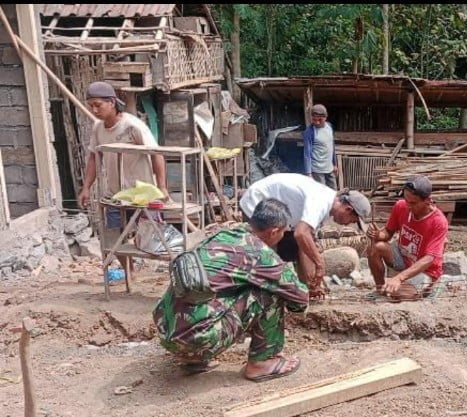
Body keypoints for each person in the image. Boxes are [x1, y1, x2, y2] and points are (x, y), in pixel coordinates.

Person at [153, 199, 308, 381]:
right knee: (270, 293)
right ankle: (262, 363)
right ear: (274, 231)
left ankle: (193, 359)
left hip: (166, 331)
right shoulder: (260, 254)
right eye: (284, 231)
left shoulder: (221, 235)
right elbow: (300, 297)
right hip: (195, 340)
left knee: (214, 293)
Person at [77, 81, 169, 272]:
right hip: (116, 194)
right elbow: (94, 157)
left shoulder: (132, 126)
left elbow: (156, 154)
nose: (94, 110)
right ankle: (129, 274)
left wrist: (162, 187)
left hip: (142, 193)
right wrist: (86, 187)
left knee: (152, 237)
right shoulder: (98, 129)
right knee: (113, 238)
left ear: (111, 102)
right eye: (91, 106)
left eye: (98, 105)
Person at [239, 173, 371, 298]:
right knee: (264, 249)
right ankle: (256, 292)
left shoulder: (324, 208)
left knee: (293, 247)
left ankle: (302, 289)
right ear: (348, 209)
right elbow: (301, 234)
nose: (348, 224)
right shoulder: (321, 201)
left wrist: (311, 284)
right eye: (352, 220)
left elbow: (305, 244)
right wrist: (320, 264)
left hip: (279, 211)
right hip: (257, 200)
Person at [366, 175, 448, 301]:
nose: (408, 206)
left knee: (400, 295)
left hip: (426, 270)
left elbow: (430, 258)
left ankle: (431, 286)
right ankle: (380, 289)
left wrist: (399, 278)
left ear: (427, 200)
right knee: (377, 247)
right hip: (404, 258)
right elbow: (388, 232)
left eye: (413, 203)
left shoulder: (438, 222)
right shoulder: (401, 206)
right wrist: (379, 235)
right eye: (406, 200)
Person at [303, 104, 337, 189]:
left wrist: (335, 164)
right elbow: (307, 153)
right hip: (317, 170)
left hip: (329, 167)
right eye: (314, 120)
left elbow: (331, 145)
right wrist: (308, 173)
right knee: (322, 193)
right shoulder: (309, 132)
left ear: (325, 117)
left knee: (334, 192)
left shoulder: (329, 127)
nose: (317, 122)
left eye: (320, 120)